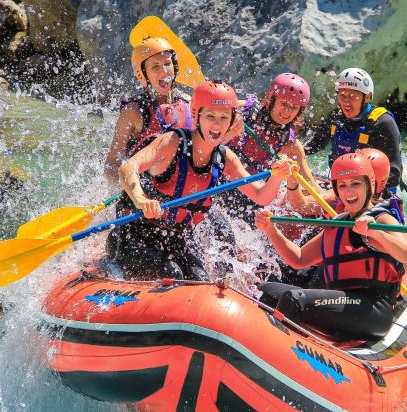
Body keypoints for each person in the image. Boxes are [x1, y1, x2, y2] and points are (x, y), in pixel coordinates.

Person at [107, 80, 295, 280]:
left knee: (200, 278)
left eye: (224, 117)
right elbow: (128, 168)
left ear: (232, 121)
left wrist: (277, 176)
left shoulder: (226, 158)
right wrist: (141, 200)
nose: (217, 124)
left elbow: (261, 196)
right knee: (173, 274)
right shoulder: (172, 142)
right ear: (197, 116)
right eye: (210, 116)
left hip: (175, 241)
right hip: (135, 236)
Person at [254, 153, 407, 341]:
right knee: (266, 291)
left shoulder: (381, 219)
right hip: (341, 302)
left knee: (294, 299)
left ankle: (283, 352)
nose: (349, 191)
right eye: (342, 185)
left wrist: (374, 233)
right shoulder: (339, 224)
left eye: (356, 184)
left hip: (373, 309)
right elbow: (299, 259)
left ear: (370, 186)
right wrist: (271, 230)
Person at [220, 73, 318, 225]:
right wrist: (230, 132)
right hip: (219, 183)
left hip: (251, 198)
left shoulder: (291, 147)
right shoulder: (241, 112)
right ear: (272, 99)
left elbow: (311, 188)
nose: (287, 111)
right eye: (284, 103)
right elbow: (203, 138)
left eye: (294, 108)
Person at [302, 68, 407, 195]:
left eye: (352, 96)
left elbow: (394, 173)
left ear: (367, 97)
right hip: (341, 185)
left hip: (374, 193)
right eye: (342, 95)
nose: (346, 102)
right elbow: (313, 144)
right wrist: (292, 151)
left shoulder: (383, 123)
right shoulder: (336, 118)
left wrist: (366, 194)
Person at [104, 37, 192, 186]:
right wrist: (130, 189)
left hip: (183, 189)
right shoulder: (134, 111)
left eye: (167, 64)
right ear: (143, 74)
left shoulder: (189, 104)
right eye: (155, 67)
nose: (164, 72)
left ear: (175, 67)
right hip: (145, 193)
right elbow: (111, 165)